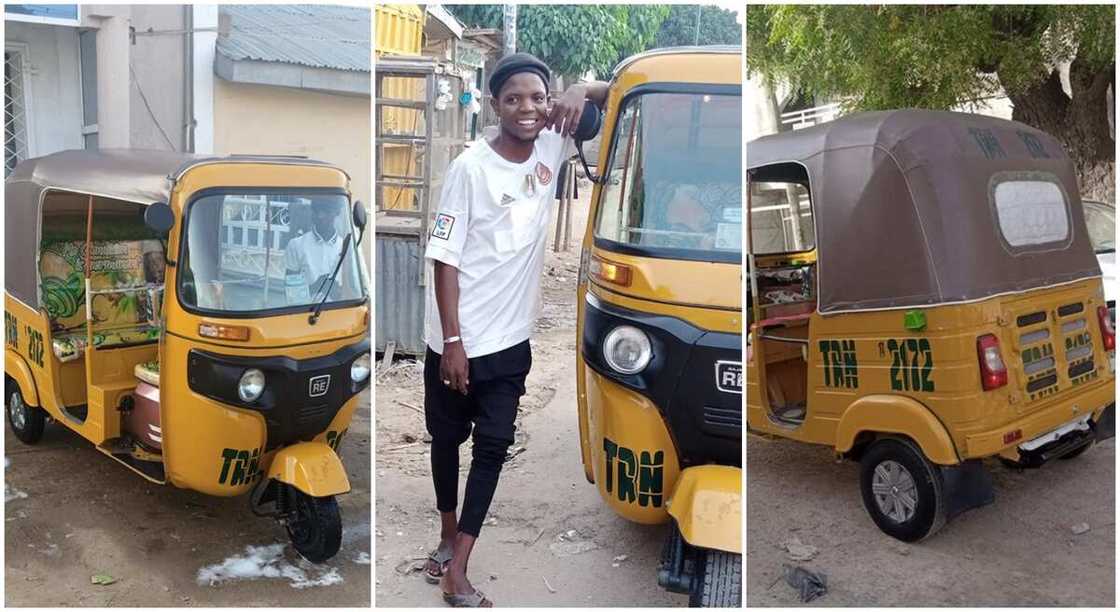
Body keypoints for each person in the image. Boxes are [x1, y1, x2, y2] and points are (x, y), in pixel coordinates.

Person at [421, 52, 607, 607]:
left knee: (494, 446)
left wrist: (581, 86)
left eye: (538, 97)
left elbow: (616, 89)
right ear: (496, 106)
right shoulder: (469, 168)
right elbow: (445, 260)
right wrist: (453, 343)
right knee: (448, 442)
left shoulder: (554, 140)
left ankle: (460, 567)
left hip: (511, 343)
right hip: (456, 341)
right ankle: (445, 534)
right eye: (513, 99)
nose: (527, 108)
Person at [284, 198, 347, 304]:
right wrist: (317, 286)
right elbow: (291, 295)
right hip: (306, 314)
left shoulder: (346, 247)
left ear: (337, 213)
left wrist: (340, 292)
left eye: (326, 211)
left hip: (339, 313)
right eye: (316, 211)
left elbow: (354, 291)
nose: (320, 216)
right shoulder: (296, 245)